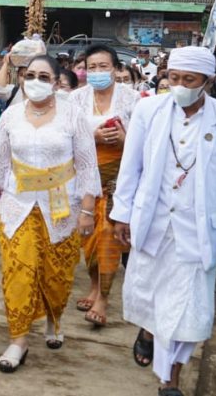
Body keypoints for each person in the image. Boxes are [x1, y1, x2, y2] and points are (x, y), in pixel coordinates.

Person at [111, 46, 216, 395]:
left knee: (188, 310)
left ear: (208, 80)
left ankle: (169, 379)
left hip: (198, 231)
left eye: (189, 79)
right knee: (153, 299)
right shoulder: (148, 111)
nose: (180, 85)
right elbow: (131, 168)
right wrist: (122, 214)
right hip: (154, 222)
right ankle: (149, 331)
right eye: (173, 78)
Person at [0, 55, 101, 372]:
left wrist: (87, 210)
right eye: (30, 75)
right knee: (18, 271)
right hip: (17, 206)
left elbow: (87, 166)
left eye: (44, 76)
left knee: (56, 274)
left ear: (56, 82)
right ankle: (18, 339)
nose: (35, 81)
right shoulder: (11, 116)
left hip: (62, 206)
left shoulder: (73, 116)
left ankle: (53, 316)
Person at [70, 46, 140, 328]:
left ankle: (104, 298)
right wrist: (94, 135)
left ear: (115, 68)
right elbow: (67, 136)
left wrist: (124, 140)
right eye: (92, 67)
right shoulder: (75, 99)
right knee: (88, 237)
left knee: (109, 235)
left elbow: (143, 141)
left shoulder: (133, 99)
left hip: (117, 179)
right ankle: (94, 286)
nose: (98, 72)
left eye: (103, 66)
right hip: (85, 179)